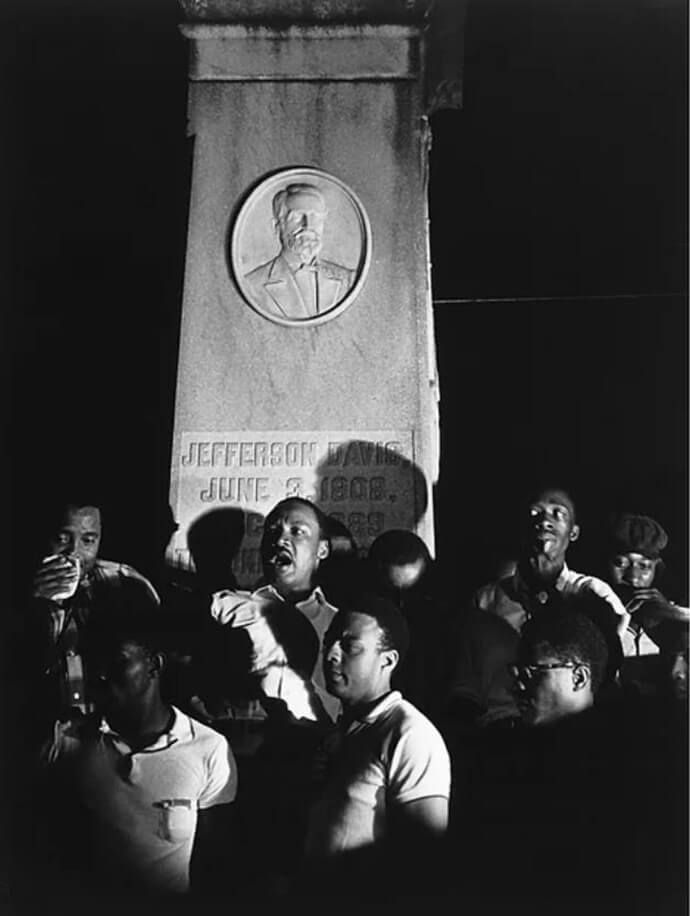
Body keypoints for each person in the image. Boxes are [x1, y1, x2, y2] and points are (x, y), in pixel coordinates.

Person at [38, 603, 237, 899]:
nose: (102, 675)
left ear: (153, 665)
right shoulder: (68, 740)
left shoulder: (208, 748)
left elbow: (213, 862)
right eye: (94, 664)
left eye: (117, 661)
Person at [304, 595, 451, 896]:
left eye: (349, 646)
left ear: (388, 660)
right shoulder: (340, 732)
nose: (331, 653)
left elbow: (424, 859)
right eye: (330, 641)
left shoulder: (410, 735)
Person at [448, 487, 627, 726]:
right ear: (520, 529)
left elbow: (608, 676)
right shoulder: (485, 600)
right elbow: (466, 682)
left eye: (558, 514)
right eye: (535, 514)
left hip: (571, 730)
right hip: (500, 731)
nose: (545, 521)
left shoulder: (594, 593)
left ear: (573, 533)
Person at [18, 500, 160, 734]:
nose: (74, 552)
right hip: (37, 735)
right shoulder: (17, 588)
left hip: (110, 737)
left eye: (88, 541)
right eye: (63, 538)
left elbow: (152, 671)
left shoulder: (127, 585)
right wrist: (35, 606)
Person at [208, 497, 338, 728]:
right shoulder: (228, 610)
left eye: (297, 531)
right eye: (273, 531)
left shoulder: (341, 625)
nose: (280, 540)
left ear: (322, 549)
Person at [244, 183, 355, 321]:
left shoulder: (348, 280)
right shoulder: (253, 285)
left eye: (315, 217)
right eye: (297, 217)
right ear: (277, 226)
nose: (308, 225)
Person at [605, 513, 690, 689]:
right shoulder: (591, 618)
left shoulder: (673, 618)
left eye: (644, 566)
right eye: (620, 564)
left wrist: (673, 613)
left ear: (656, 570)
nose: (633, 578)